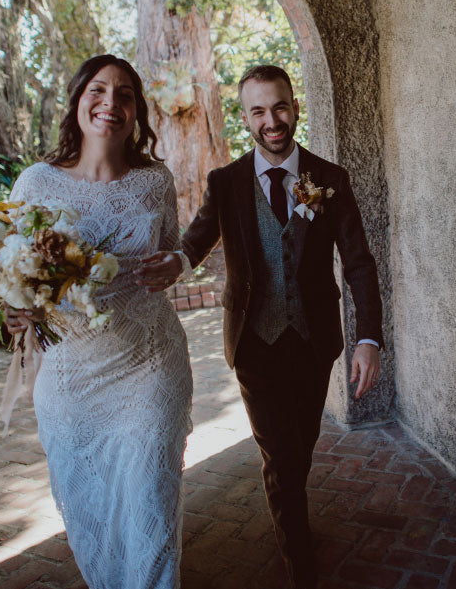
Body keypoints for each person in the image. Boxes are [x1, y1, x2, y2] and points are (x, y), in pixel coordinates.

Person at [135, 65, 384, 589]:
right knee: (279, 453)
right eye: (258, 111)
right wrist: (176, 262)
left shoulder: (329, 179)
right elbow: (197, 239)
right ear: (245, 117)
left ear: (294, 107)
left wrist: (368, 338)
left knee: (302, 444)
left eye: (279, 107)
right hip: (254, 343)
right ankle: (300, 564)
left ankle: (291, 520)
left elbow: (358, 261)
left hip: (315, 343)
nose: (271, 120)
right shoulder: (226, 183)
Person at [5, 55, 192, 589]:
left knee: (152, 503)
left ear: (136, 112)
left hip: (149, 367)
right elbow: (9, 280)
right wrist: (16, 313)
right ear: (78, 99)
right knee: (93, 514)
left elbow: (170, 252)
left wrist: (169, 267)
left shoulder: (155, 183)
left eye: (125, 94)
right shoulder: (35, 184)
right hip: (71, 381)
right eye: (99, 90)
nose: (111, 103)